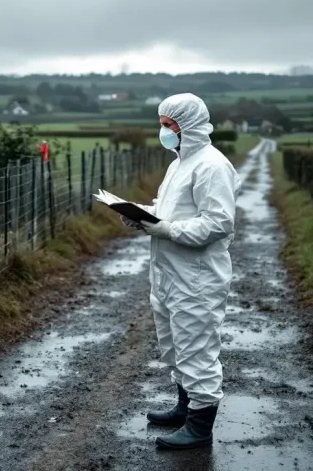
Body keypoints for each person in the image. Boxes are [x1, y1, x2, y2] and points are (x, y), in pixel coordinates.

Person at [120, 93, 241, 450]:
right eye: (162, 125)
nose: (164, 132)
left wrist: (167, 230)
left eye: (168, 125)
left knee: (197, 350)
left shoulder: (211, 165)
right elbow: (172, 209)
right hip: (170, 274)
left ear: (187, 124)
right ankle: (185, 407)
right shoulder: (179, 163)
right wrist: (142, 213)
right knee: (174, 346)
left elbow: (218, 223)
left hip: (197, 278)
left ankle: (200, 428)